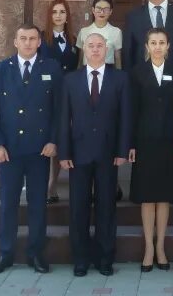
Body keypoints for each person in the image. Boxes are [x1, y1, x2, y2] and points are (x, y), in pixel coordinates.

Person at [0, 23, 63, 275]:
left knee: (38, 203)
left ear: (40, 42)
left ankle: (35, 253)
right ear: (15, 42)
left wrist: (53, 140)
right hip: (9, 150)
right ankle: (5, 253)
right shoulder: (0, 69)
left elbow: (58, 111)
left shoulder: (51, 68)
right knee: (8, 203)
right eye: (23, 38)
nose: (28, 43)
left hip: (40, 150)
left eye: (33, 38)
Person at [58, 33, 132, 277]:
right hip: (77, 155)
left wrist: (122, 150)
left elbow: (125, 118)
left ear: (108, 49)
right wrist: (64, 152)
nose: (96, 49)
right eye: (91, 46)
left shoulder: (120, 79)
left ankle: (104, 258)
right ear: (84, 50)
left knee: (106, 208)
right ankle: (80, 258)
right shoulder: (70, 80)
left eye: (100, 46)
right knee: (78, 208)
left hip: (108, 154)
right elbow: (63, 119)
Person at [128, 28, 173, 271]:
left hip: (170, 141)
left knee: (164, 196)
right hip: (144, 142)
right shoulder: (136, 73)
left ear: (168, 46)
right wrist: (129, 143)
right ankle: (148, 248)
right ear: (147, 46)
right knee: (147, 195)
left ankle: (161, 246)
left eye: (162, 42)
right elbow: (130, 111)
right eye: (153, 42)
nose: (158, 46)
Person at [40, 0, 79, 205]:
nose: (58, 15)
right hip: (47, 97)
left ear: (67, 15)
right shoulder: (41, 39)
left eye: (62, 11)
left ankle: (58, 184)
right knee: (49, 140)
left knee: (64, 139)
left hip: (70, 98)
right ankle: (49, 187)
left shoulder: (73, 40)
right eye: (54, 12)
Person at [76, 0, 123, 68]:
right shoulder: (84, 31)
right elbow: (81, 58)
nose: (102, 12)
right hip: (87, 71)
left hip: (108, 71)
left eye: (106, 9)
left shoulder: (116, 32)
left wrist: (119, 77)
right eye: (98, 8)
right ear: (93, 10)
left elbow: (117, 58)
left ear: (110, 11)